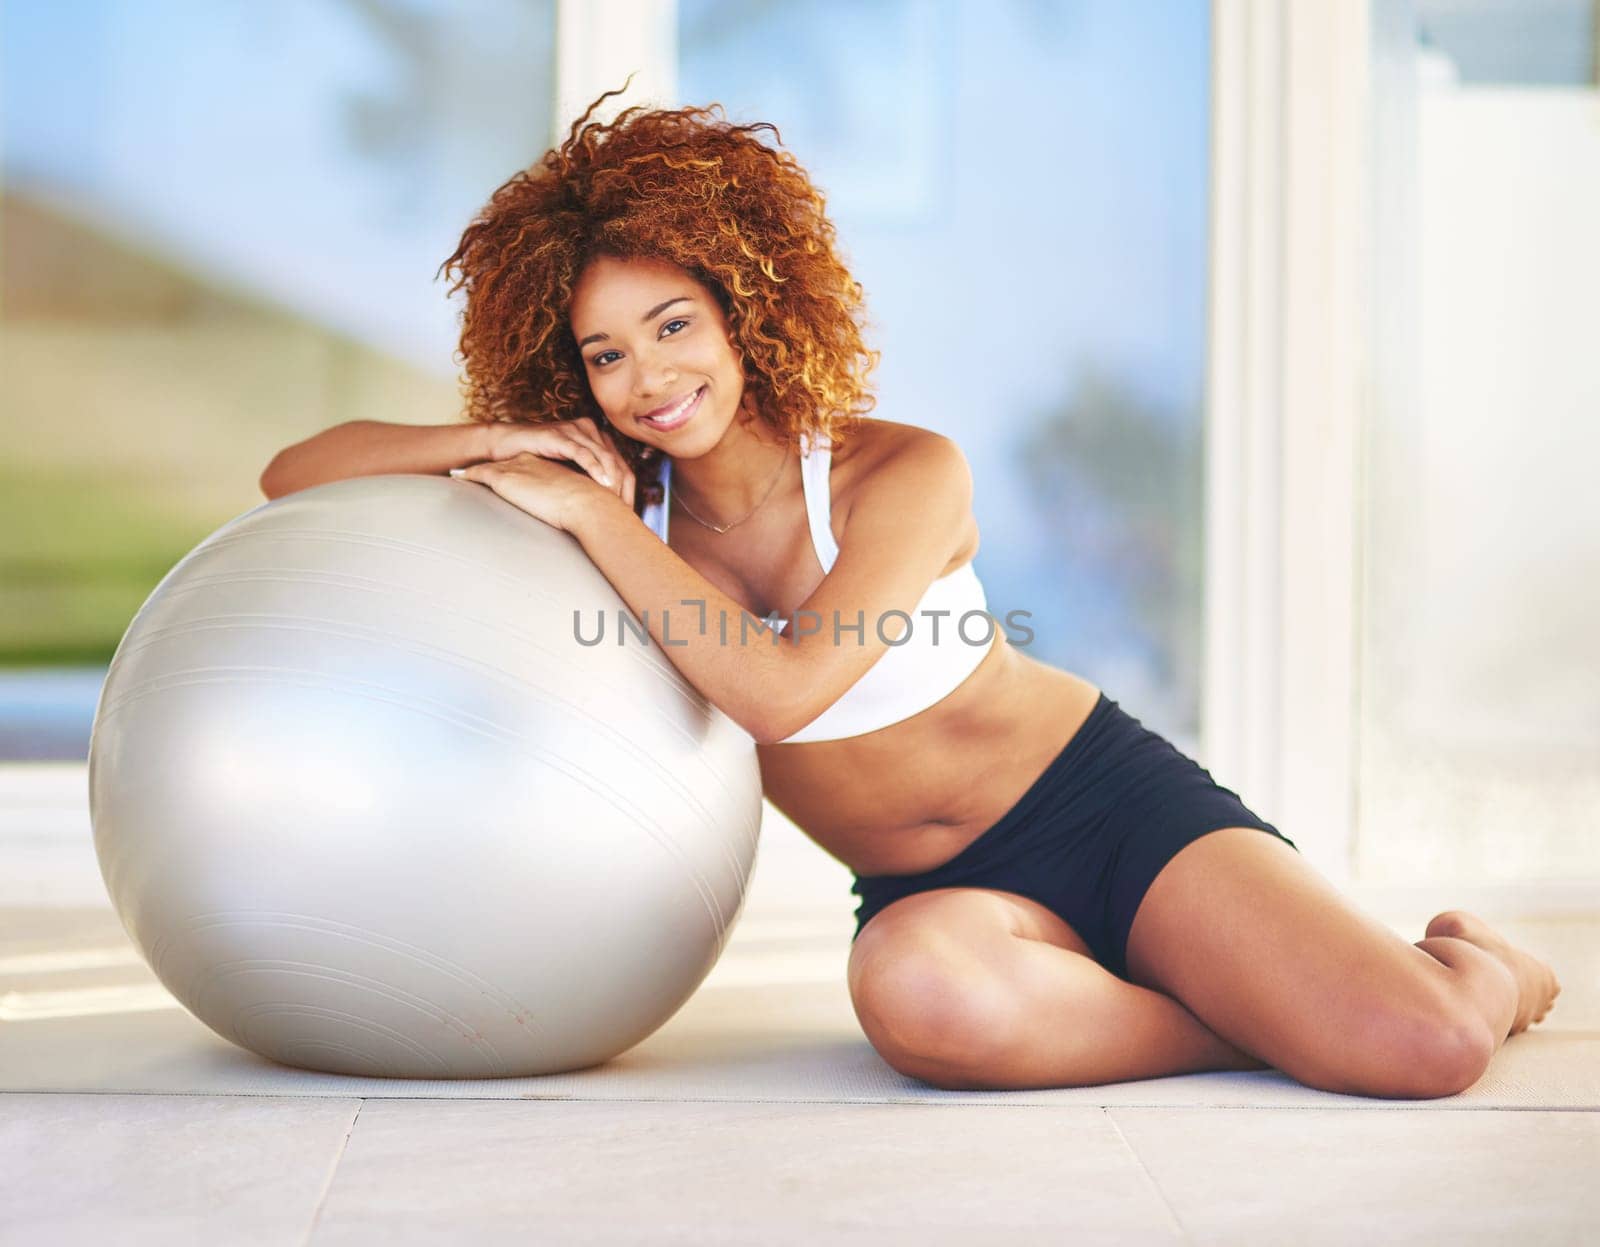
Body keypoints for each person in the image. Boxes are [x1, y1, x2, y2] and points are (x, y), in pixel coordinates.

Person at [259, 87, 1560, 1098]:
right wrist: (485, 446)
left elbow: (779, 692)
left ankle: (1480, 966)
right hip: (937, 899)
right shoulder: (612, 503)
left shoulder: (898, 473)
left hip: (1102, 809)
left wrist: (588, 505)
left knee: (1426, 1049)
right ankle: (1250, 1021)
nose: (647, 379)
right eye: (602, 354)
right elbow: (291, 474)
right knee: (920, 1011)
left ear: (745, 307)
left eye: (672, 325)